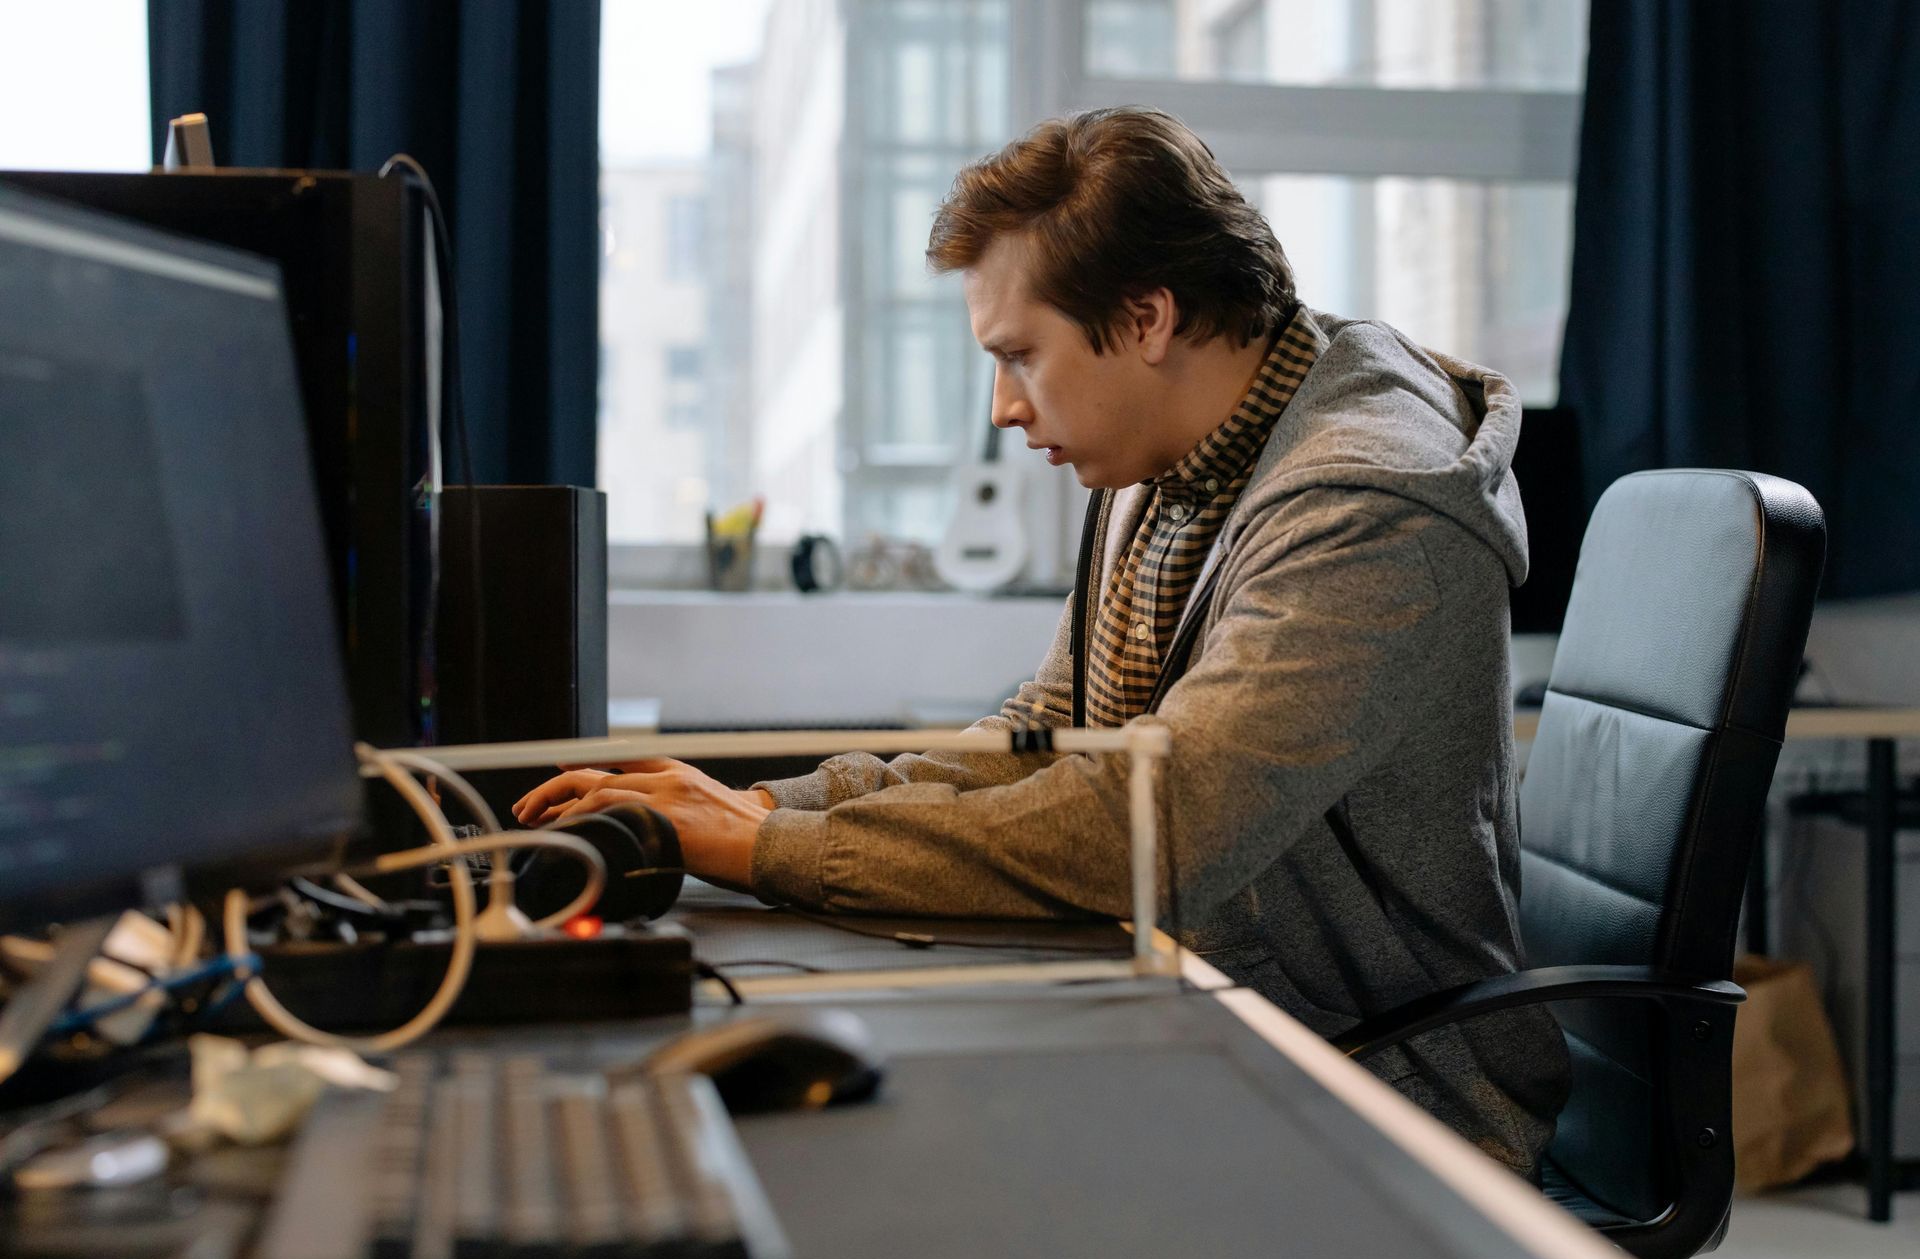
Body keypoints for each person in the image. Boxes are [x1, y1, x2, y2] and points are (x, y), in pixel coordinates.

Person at [514, 106, 1571, 1177]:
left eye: (1022, 354)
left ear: (1147, 315)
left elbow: (1157, 820)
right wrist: (768, 806)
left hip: (1380, 1093)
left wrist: (766, 852)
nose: (1004, 406)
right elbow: (1047, 735)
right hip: (1217, 1010)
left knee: (886, 1172)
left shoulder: (1371, 505)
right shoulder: (1168, 460)